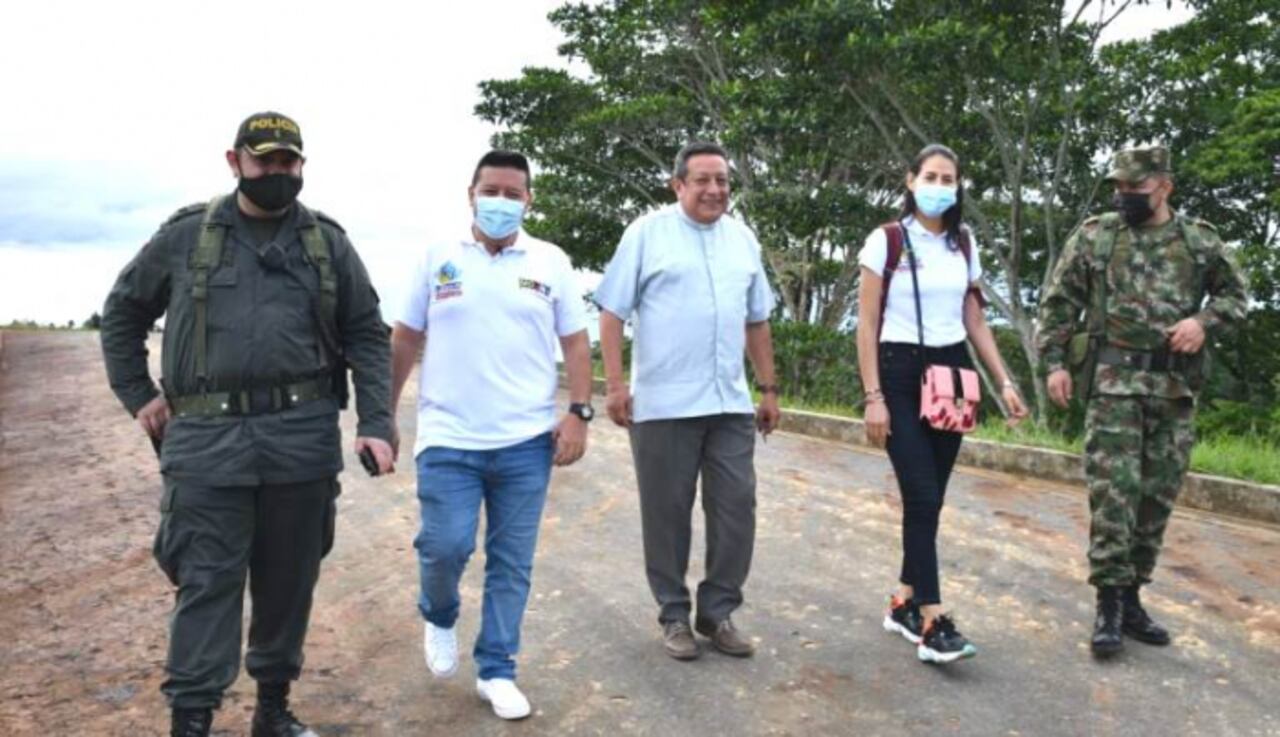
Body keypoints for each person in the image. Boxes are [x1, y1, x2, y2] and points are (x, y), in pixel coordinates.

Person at [100, 111, 395, 737]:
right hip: (207, 446)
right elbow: (123, 313)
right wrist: (139, 394)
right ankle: (193, 719)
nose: (277, 173)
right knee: (207, 581)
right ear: (235, 162)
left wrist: (377, 421)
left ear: (301, 167)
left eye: (288, 162)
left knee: (289, 584)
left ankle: (273, 709)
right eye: (264, 161)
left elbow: (367, 333)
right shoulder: (187, 237)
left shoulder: (328, 243)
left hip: (301, 442)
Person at [389, 150, 593, 720]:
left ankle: (497, 669)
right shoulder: (438, 257)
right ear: (471, 193)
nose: (501, 201)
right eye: (492, 190)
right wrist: (381, 416)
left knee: (512, 561)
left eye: (513, 192)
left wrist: (578, 412)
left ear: (529, 199)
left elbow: (576, 343)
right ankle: (439, 611)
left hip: (527, 441)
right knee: (445, 546)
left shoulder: (551, 262)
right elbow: (405, 338)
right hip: (449, 437)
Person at [1037, 145, 1248, 657]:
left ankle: (1132, 599)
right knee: (1114, 497)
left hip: (1174, 392)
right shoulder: (1097, 236)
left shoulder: (1198, 242)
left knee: (1155, 499)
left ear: (1164, 186)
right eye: (1120, 188)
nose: (1125, 196)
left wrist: (1203, 322)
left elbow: (1236, 297)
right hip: (1113, 385)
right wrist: (1054, 364)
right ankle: (1108, 604)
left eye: (1136, 188)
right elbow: (1059, 302)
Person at [595, 141, 780, 661]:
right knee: (667, 513)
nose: (714, 190)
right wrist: (614, 385)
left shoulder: (743, 239)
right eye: (701, 180)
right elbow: (611, 311)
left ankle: (717, 612)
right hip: (663, 406)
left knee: (736, 509)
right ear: (678, 185)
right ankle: (674, 614)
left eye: (722, 180)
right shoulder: (646, 234)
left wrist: (767, 388)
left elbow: (757, 319)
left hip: (729, 404)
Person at [855, 143, 1029, 665]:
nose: (938, 185)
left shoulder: (963, 244)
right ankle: (933, 622)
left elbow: (975, 319)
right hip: (900, 371)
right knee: (923, 495)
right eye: (929, 175)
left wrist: (1005, 381)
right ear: (910, 181)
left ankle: (904, 602)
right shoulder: (886, 241)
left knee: (930, 499)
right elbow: (866, 323)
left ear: (958, 187)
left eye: (948, 178)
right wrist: (873, 396)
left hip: (953, 373)